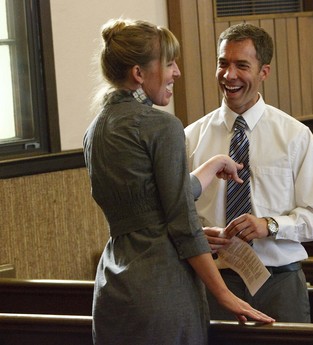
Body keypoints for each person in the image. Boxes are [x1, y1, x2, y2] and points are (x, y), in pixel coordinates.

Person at [83, 19, 274, 345]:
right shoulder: (162, 126)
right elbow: (182, 221)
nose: (176, 72)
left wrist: (211, 166)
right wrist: (223, 294)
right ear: (139, 74)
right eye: (169, 63)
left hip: (113, 285)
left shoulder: (96, 130)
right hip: (162, 289)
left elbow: (150, 200)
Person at [184, 23, 313, 322]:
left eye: (241, 65)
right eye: (223, 64)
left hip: (280, 283)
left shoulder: (295, 136)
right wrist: (198, 235)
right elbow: (177, 215)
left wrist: (270, 225)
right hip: (214, 281)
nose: (229, 75)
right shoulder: (191, 138)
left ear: (264, 72)